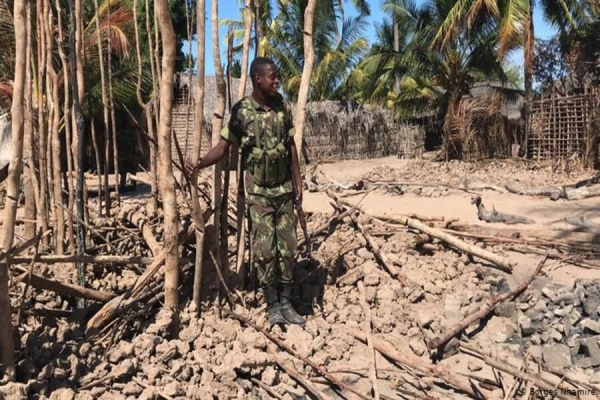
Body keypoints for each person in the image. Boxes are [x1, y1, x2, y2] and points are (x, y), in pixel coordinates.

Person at [186, 57, 305, 327]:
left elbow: (291, 146)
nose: (277, 81)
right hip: (259, 194)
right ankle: (272, 305)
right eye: (272, 77)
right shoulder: (241, 111)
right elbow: (224, 146)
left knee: (286, 248)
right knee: (265, 251)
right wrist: (201, 162)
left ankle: (287, 302)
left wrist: (298, 183)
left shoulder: (283, 106)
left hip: (284, 190)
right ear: (257, 79)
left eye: (278, 76)